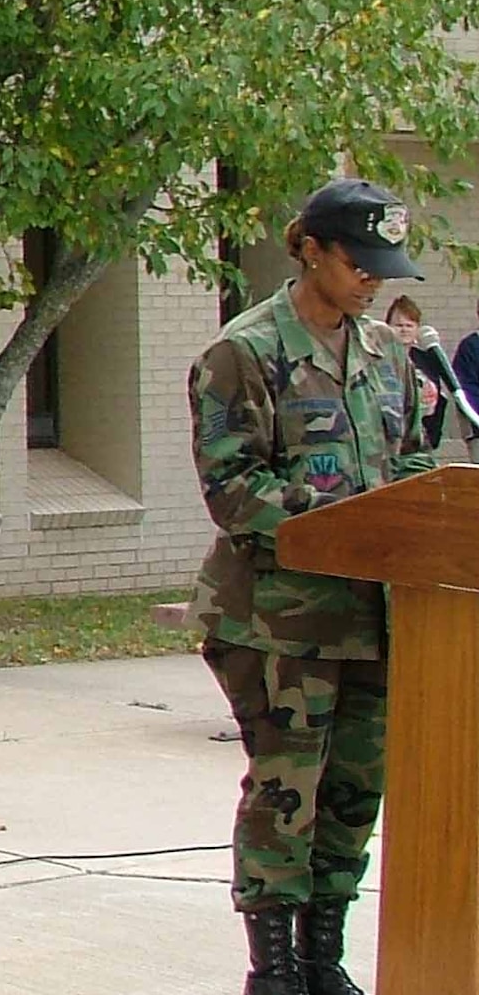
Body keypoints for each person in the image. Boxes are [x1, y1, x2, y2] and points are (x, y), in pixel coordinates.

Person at [188, 177, 436, 995]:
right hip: (278, 624)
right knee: (285, 794)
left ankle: (324, 962)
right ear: (311, 251)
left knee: (354, 796)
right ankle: (277, 971)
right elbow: (234, 492)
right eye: (358, 262)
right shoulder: (245, 352)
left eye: (382, 266)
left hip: (373, 618)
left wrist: (425, 500)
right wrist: (344, 519)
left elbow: (407, 462)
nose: (373, 279)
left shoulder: (386, 353)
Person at [382, 296, 448, 449]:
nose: (404, 329)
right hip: (392, 440)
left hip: (425, 439)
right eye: (398, 325)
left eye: (409, 325)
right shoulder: (380, 359)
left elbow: (439, 399)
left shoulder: (427, 360)